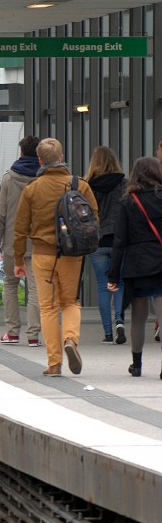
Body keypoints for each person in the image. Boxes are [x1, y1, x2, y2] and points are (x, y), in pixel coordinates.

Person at [13, 137, 97, 376]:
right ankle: (71, 339)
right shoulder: (80, 186)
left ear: (40, 160)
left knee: (48, 308)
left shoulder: (32, 189)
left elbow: (20, 229)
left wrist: (19, 260)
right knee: (70, 302)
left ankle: (54, 363)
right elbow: (94, 220)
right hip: (72, 255)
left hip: (42, 254)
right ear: (61, 158)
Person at [107, 157, 162, 377]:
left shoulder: (128, 201)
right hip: (161, 261)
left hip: (137, 264)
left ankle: (137, 365)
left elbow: (119, 241)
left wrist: (113, 274)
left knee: (138, 317)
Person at [0, 135, 42, 346]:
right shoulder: (44, 180)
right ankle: (33, 335)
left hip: (12, 244)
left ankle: (12, 332)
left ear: (20, 153)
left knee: (10, 284)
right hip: (38, 244)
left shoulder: (8, 179)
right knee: (36, 289)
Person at [85, 146, 126, 344]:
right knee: (118, 283)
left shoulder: (88, 186)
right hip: (119, 241)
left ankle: (108, 333)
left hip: (98, 241)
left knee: (103, 287)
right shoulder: (124, 183)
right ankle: (120, 320)